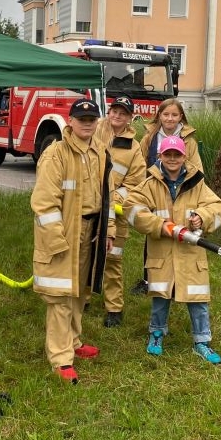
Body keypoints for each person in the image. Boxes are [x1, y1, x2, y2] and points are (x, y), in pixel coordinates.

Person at [31, 98, 116, 384]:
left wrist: (109, 228)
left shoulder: (101, 151)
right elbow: (43, 203)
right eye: (82, 119)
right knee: (61, 296)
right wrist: (55, 241)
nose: (88, 123)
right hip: (65, 233)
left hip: (92, 229)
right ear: (71, 121)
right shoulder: (56, 154)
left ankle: (75, 342)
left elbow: (109, 194)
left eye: (92, 119)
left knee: (80, 291)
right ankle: (60, 358)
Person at [122, 135, 221, 364]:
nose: (171, 159)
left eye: (176, 155)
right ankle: (156, 335)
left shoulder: (197, 182)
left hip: (191, 255)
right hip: (162, 253)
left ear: (184, 156)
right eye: (167, 154)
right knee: (160, 295)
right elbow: (132, 208)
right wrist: (160, 226)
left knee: (198, 298)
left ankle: (202, 342)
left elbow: (216, 207)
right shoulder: (150, 183)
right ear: (160, 156)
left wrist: (202, 217)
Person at [131, 98, 203, 295]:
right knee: (154, 233)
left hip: (181, 191)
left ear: (181, 117)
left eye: (174, 115)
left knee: (180, 233)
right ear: (159, 116)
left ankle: (180, 281)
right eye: (165, 114)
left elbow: (197, 168)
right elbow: (140, 163)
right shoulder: (149, 137)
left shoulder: (189, 140)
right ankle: (149, 280)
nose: (169, 118)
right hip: (155, 190)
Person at [93, 96, 146, 328]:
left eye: (122, 113)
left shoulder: (134, 147)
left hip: (115, 212)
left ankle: (114, 309)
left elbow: (136, 183)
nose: (117, 116)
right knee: (86, 256)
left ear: (129, 118)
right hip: (89, 208)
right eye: (114, 111)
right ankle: (83, 298)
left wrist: (112, 199)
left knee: (112, 259)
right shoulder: (93, 131)